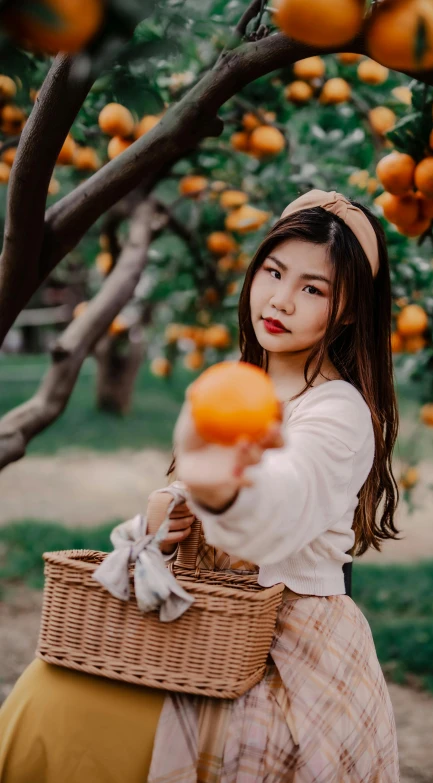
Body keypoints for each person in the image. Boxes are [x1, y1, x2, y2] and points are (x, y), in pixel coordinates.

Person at [0, 189, 402, 782]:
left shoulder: (337, 413)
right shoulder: (241, 385)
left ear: (345, 312)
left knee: (73, 709)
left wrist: (224, 496)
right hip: (202, 621)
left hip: (276, 643)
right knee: (51, 686)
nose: (281, 300)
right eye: (273, 272)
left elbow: (282, 503)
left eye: (312, 288)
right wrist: (160, 529)